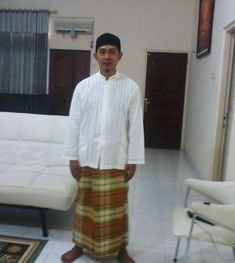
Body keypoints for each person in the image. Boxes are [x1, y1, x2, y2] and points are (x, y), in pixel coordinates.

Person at [61, 33, 145, 263]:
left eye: (112, 52)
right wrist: (72, 157)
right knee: (85, 207)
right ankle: (79, 246)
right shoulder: (83, 87)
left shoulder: (131, 88)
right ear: (95, 56)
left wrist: (133, 159)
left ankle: (121, 250)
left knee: (117, 210)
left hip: (116, 159)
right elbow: (74, 124)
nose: (107, 56)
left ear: (120, 56)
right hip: (87, 158)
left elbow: (136, 126)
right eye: (103, 52)